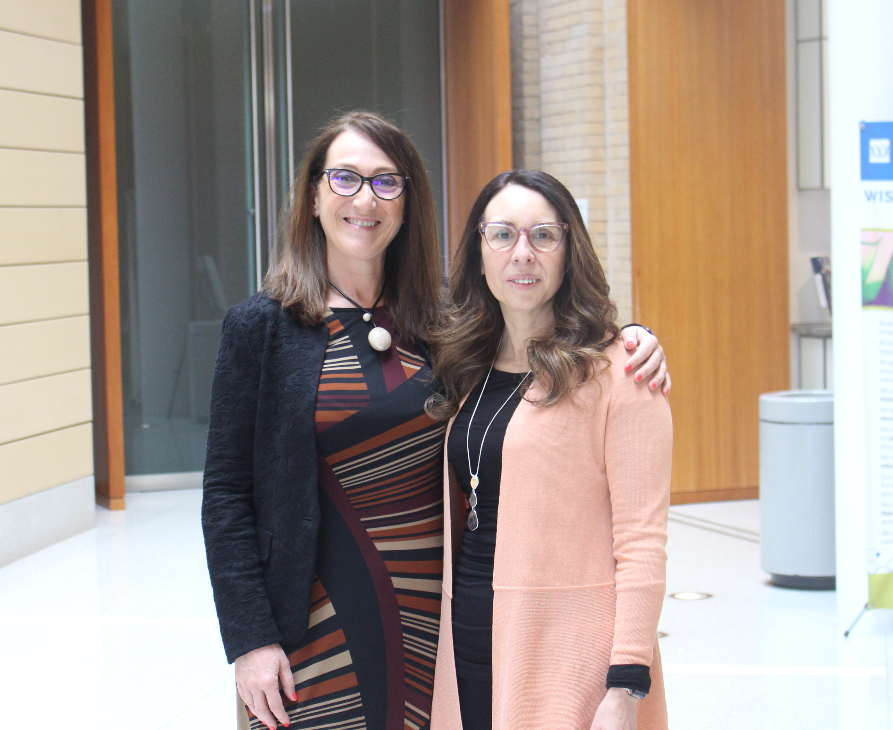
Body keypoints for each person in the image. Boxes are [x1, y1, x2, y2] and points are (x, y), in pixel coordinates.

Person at [201, 112, 670, 730]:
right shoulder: (262, 329)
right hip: (310, 626)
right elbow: (227, 497)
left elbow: (539, 351)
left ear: (406, 203)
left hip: (437, 629)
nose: (364, 199)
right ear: (313, 197)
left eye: (386, 182)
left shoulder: (444, 328)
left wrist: (633, 337)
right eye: (344, 179)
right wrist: (249, 639)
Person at [426, 170, 673, 730]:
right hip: (471, 626)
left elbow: (643, 540)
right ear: (479, 253)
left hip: (569, 646)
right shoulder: (464, 365)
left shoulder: (620, 372)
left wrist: (627, 682)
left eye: (543, 236)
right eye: (503, 235)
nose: (523, 254)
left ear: (569, 251)